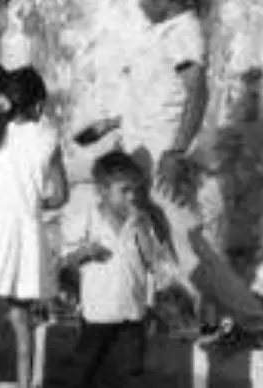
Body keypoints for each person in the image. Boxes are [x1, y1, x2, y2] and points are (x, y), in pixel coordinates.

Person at [72, 0, 263, 339]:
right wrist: (112, 124)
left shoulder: (184, 32)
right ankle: (201, 318)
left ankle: (255, 319)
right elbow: (158, 94)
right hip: (142, 155)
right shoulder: (163, 32)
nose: (140, 1)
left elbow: (197, 92)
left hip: (162, 157)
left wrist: (176, 151)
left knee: (187, 246)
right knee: (168, 242)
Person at [60, 150, 166, 388]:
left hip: (133, 313)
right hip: (98, 313)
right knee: (85, 370)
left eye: (135, 190)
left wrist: (143, 232)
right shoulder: (88, 218)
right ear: (102, 190)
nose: (132, 197)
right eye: (124, 190)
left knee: (131, 373)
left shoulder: (141, 221)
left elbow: (155, 262)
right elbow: (65, 258)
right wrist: (86, 252)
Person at [0, 65, 69, 388]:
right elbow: (61, 196)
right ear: (39, 104)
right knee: (21, 321)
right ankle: (24, 382)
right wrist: (33, 205)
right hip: (25, 237)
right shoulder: (48, 136)